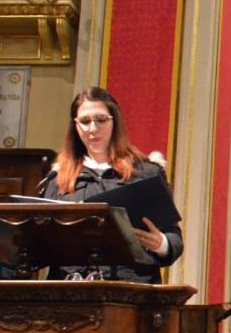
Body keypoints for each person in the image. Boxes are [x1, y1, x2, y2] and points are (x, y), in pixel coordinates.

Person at [43, 87, 183, 283]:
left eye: (101, 120)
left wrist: (161, 243)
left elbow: (174, 239)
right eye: (84, 121)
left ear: (114, 122)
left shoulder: (145, 173)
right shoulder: (57, 178)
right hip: (71, 293)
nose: (93, 129)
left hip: (131, 290)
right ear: (75, 126)